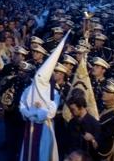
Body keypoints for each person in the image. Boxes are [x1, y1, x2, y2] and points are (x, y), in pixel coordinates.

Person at [19, 33, 67, 161]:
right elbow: (22, 103)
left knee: (42, 153)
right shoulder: (30, 89)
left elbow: (51, 112)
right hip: (30, 125)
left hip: (44, 127)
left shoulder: (53, 93)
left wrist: (37, 114)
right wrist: (28, 114)